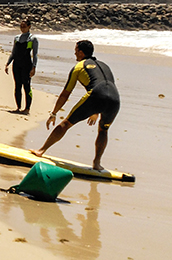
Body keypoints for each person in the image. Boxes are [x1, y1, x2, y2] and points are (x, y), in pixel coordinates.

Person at [30, 40, 120, 171]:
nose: (74, 53)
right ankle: (97, 163)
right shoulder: (105, 65)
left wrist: (54, 113)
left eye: (76, 50)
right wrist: (96, 112)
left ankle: (41, 150)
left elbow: (65, 93)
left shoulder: (78, 67)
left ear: (81, 53)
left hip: (96, 96)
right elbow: (105, 89)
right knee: (103, 130)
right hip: (115, 99)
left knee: (66, 123)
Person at [4, 18, 39, 114]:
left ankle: (27, 109)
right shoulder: (17, 38)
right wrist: (8, 63)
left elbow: (35, 55)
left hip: (27, 65)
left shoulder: (32, 39)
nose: (22, 28)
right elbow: (13, 52)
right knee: (17, 86)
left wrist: (34, 68)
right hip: (16, 65)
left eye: (24, 26)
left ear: (29, 27)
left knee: (26, 86)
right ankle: (18, 107)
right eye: (21, 27)